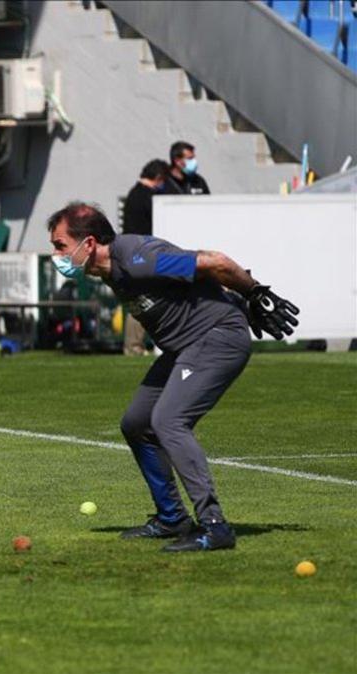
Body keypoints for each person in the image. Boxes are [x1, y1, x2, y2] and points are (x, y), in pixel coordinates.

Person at [47, 202, 298, 552]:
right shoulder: (109, 270)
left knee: (169, 421)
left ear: (88, 243)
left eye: (59, 245)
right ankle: (171, 519)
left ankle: (214, 525)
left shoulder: (137, 258)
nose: (55, 254)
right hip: (185, 348)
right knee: (136, 422)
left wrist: (253, 293)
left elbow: (216, 263)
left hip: (216, 337)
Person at [120, 159, 168, 354]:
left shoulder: (134, 194)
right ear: (158, 178)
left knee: (143, 300)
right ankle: (133, 346)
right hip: (141, 255)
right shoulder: (147, 198)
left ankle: (135, 345)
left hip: (133, 254)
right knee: (143, 301)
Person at [121, 159, 167, 237]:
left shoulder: (135, 192)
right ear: (158, 178)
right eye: (165, 180)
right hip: (143, 243)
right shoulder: (147, 196)